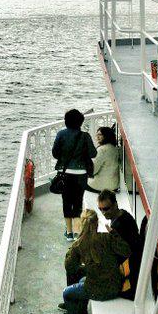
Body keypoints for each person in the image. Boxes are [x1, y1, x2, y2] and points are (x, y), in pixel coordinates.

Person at [59, 210, 131, 314]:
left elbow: (70, 268)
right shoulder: (106, 237)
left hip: (100, 290)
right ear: (97, 223)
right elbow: (126, 250)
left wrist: (73, 248)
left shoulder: (79, 245)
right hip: (115, 284)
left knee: (68, 293)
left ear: (82, 224)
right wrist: (113, 233)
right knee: (82, 281)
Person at [51, 109, 97, 240]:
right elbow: (93, 153)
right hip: (81, 173)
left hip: (65, 173)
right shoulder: (85, 136)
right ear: (80, 123)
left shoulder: (61, 134)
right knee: (78, 201)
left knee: (66, 201)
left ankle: (69, 233)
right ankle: (77, 233)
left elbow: (55, 153)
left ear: (66, 121)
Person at [96, 190, 141, 299]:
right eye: (100, 209)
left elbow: (121, 253)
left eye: (106, 208)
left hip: (128, 278)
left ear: (115, 204)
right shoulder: (123, 214)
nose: (103, 212)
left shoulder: (119, 225)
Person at [88, 126, 121, 193]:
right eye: (97, 135)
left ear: (107, 136)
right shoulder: (115, 149)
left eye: (100, 135)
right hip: (114, 185)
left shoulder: (102, 149)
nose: (97, 137)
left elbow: (93, 170)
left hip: (100, 186)